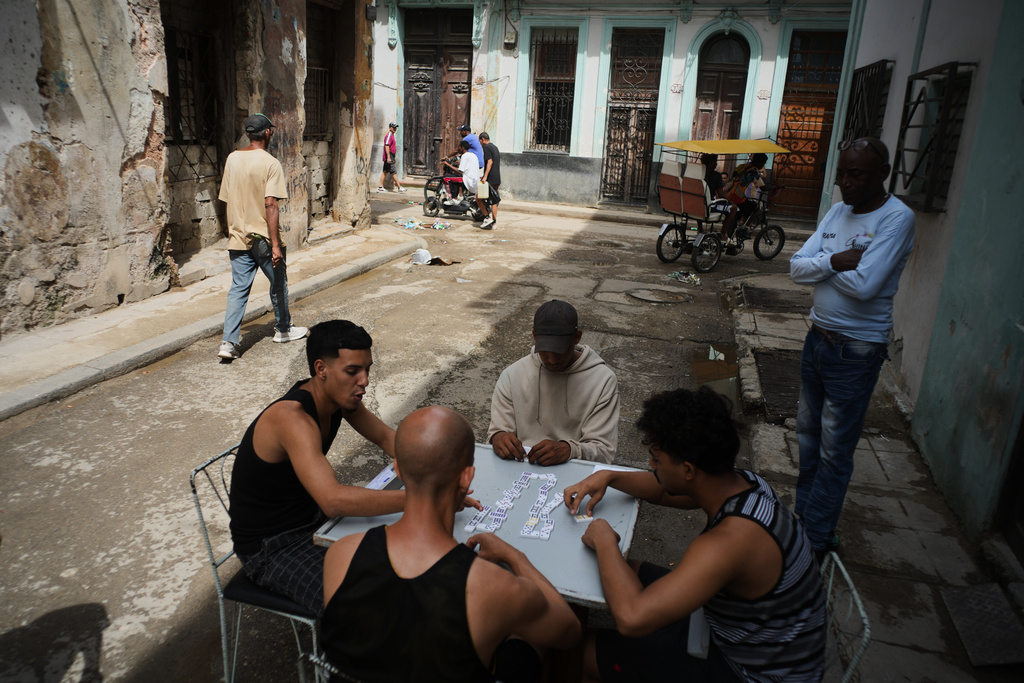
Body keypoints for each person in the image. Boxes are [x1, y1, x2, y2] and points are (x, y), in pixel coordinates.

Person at [565, 387, 827, 683]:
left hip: (748, 672)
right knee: (622, 570)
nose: (651, 465)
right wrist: (609, 476)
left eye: (656, 459)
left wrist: (605, 540)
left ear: (688, 469)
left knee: (576, 650)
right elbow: (664, 492)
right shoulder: (745, 484)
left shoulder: (727, 543)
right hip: (750, 633)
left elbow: (631, 618)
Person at [321, 406, 581, 683]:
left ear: (397, 468)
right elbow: (570, 632)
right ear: (467, 476)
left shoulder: (341, 554)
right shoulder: (495, 588)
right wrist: (516, 558)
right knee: (524, 637)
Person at [228, 320, 408, 615]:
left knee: (406, 557)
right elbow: (333, 500)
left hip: (314, 520)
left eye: (367, 370)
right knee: (366, 608)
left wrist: (433, 467)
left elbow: (387, 437)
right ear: (321, 369)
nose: (364, 381)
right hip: (271, 547)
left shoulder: (340, 399)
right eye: (352, 371)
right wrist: (425, 499)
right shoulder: (293, 418)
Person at [790, 136, 915, 558]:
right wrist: (833, 260)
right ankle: (803, 521)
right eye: (841, 171)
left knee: (834, 450)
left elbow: (865, 287)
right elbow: (795, 267)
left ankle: (815, 540)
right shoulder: (838, 211)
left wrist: (820, 264)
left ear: (882, 173)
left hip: (855, 351)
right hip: (817, 339)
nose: (844, 181)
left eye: (855, 173)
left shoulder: (897, 219)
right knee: (807, 437)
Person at [217, 113, 307, 360]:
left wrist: (232, 229)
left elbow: (225, 200)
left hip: (238, 236)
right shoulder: (270, 163)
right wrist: (275, 244)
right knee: (278, 283)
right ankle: (283, 329)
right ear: (268, 132)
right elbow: (271, 205)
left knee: (238, 289)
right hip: (263, 239)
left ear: (249, 133)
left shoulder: (232, 159)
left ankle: (228, 343)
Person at [487, 300, 619, 465]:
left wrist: (570, 450)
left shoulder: (602, 381)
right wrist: (498, 437)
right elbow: (498, 431)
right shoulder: (512, 375)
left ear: (577, 337)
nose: (552, 360)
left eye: (559, 351)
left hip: (574, 470)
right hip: (520, 466)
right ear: (534, 337)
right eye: (544, 350)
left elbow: (604, 451)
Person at [720, 152, 768, 248]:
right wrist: (777, 187)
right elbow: (762, 187)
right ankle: (744, 229)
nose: (763, 165)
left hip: (729, 194)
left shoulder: (742, 166)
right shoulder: (754, 170)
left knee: (738, 214)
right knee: (755, 208)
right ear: (759, 162)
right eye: (763, 163)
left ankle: (732, 238)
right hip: (737, 198)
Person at [478, 132, 501, 230]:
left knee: (478, 197)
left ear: (483, 139)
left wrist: (485, 177)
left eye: (480, 141)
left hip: (490, 178)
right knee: (493, 201)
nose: (480, 143)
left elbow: (490, 162)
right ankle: (494, 223)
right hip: (497, 178)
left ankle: (487, 217)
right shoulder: (495, 147)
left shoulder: (486, 148)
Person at [377, 122, 406, 193]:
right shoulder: (389, 135)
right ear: (390, 127)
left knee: (385, 171)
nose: (394, 129)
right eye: (393, 127)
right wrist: (389, 157)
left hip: (391, 156)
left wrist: (393, 157)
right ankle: (399, 187)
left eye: (395, 127)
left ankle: (380, 187)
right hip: (389, 155)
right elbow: (387, 146)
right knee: (393, 171)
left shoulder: (392, 135)